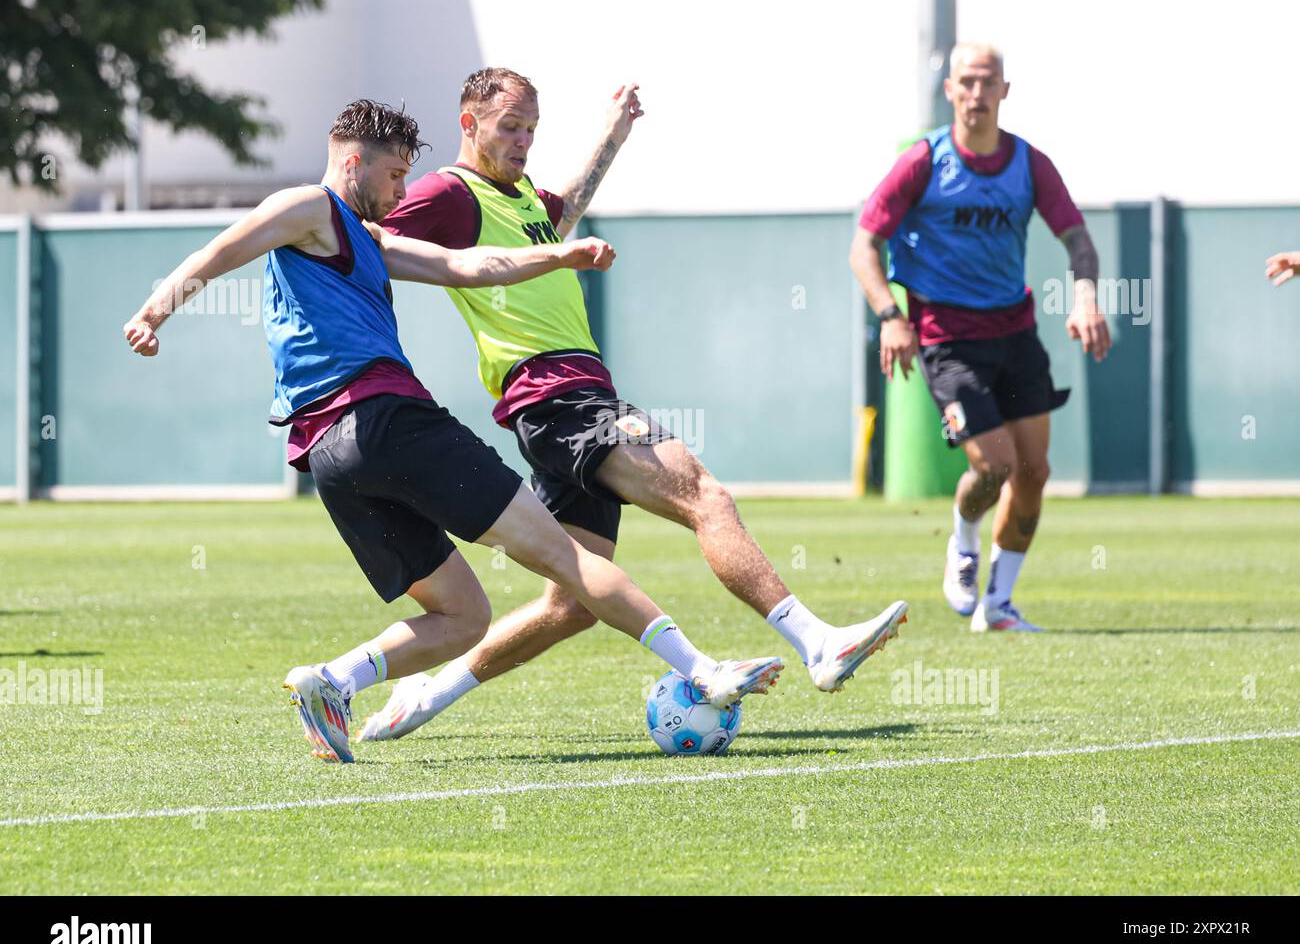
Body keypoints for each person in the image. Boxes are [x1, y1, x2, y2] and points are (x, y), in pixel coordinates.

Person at [122, 99, 783, 763]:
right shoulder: (311, 207)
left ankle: (331, 682)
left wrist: (559, 256)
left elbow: (467, 267)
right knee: (569, 559)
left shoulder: (368, 236)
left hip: (331, 457)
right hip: (387, 421)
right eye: (394, 176)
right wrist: (154, 313)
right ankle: (704, 671)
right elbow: (220, 250)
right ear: (353, 163)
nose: (402, 191)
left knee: (463, 616)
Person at [360, 68, 907, 743]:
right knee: (704, 495)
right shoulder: (451, 192)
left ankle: (428, 694)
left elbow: (563, 214)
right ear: (467, 125)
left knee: (572, 604)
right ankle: (815, 641)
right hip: (555, 396)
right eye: (510, 127)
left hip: (568, 400)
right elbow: (362, 237)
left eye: (532, 128)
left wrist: (613, 135)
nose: (524, 140)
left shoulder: (522, 193)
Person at [850, 43, 1110, 632]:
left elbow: (1077, 238)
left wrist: (1087, 296)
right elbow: (864, 243)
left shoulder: (1028, 163)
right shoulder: (923, 161)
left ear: (1004, 90)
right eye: (965, 81)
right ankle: (964, 537)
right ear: (950, 91)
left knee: (1035, 471)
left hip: (1015, 335)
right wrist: (892, 315)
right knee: (993, 466)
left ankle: (999, 605)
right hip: (947, 341)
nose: (976, 92)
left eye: (987, 82)